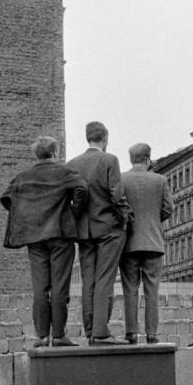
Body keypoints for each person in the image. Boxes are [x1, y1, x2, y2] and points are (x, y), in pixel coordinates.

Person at [1, 136, 87, 348]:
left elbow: (6, 199)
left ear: (36, 154)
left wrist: (28, 215)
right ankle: (58, 335)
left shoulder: (23, 177)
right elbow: (82, 189)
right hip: (60, 234)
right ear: (55, 152)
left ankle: (41, 336)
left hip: (35, 238)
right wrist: (72, 211)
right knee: (59, 287)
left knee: (40, 287)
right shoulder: (64, 173)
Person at [66, 122, 132, 345]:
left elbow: (73, 198)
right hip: (108, 229)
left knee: (89, 281)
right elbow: (117, 196)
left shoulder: (72, 164)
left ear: (87, 138)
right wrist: (123, 220)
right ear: (105, 138)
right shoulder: (109, 160)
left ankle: (90, 330)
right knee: (105, 279)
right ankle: (102, 332)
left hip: (84, 231)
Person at [118, 143, 173, 344]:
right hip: (153, 243)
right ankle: (151, 333)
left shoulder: (121, 179)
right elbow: (168, 208)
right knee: (152, 290)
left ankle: (131, 333)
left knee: (130, 289)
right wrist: (152, 219)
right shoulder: (160, 180)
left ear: (131, 159)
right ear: (148, 159)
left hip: (129, 243)